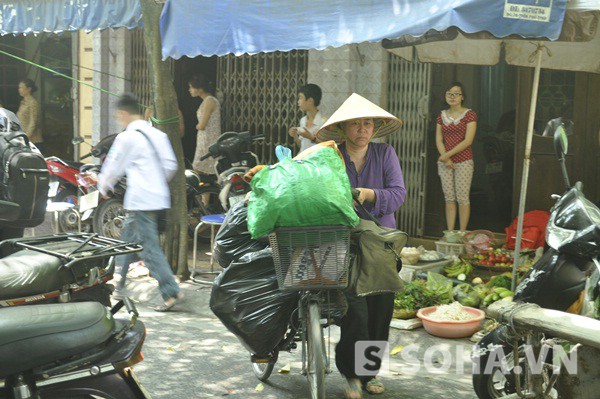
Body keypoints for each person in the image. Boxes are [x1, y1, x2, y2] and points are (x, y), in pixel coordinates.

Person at [316, 93, 406, 399]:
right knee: (355, 312)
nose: (362, 129)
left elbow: (397, 195)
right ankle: (352, 375)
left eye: (367, 123)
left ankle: (369, 373)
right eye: (355, 124)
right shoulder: (331, 156)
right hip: (343, 244)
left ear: (375, 127)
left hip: (381, 245)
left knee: (380, 311)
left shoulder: (385, 154)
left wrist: (368, 195)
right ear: (343, 129)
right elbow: (322, 198)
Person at [98, 93, 183, 312]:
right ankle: (120, 282)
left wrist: (102, 187)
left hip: (140, 198)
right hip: (156, 197)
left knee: (149, 247)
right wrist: (155, 183)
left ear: (124, 113)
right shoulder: (157, 134)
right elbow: (170, 164)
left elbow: (113, 167)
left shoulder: (126, 137)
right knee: (127, 238)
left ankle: (170, 291)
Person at [435, 82, 477, 231]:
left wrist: (447, 155)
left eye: (456, 94)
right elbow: (439, 139)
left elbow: (468, 140)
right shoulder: (442, 115)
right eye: (449, 94)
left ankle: (462, 233)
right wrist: (445, 158)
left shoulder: (470, 114)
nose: (452, 97)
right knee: (449, 198)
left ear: (462, 97)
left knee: (463, 198)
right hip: (445, 162)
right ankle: (450, 232)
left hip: (464, 161)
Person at [188, 75, 221, 173]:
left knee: (199, 167)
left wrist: (196, 126)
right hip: (205, 138)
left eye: (191, 87)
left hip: (208, 139)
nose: (189, 90)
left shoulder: (209, 101)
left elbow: (202, 125)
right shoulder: (208, 101)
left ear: (200, 89)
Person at [288, 83, 327, 153]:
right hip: (303, 160)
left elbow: (327, 146)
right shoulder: (303, 120)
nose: (298, 102)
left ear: (310, 101)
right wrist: (295, 136)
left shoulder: (323, 122)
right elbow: (302, 146)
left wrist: (310, 137)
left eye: (300, 98)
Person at [17, 78, 43, 153]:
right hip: (23, 139)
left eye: (21, 87)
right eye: (19, 87)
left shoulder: (32, 103)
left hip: (33, 140)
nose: (19, 89)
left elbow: (33, 122)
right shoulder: (23, 102)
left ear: (29, 89)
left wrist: (26, 137)